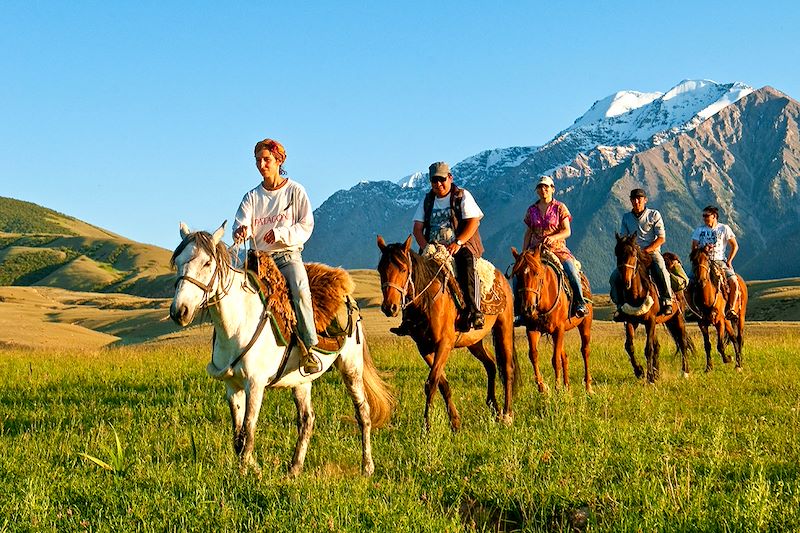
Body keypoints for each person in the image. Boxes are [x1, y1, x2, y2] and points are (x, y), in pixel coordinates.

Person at [232, 138, 320, 373]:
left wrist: (280, 233)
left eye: (266, 160)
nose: (261, 165)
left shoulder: (295, 191)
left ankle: (309, 348)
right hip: (258, 260)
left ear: (279, 160)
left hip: (287, 256)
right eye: (257, 160)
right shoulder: (251, 197)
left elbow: (306, 225)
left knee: (300, 289)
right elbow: (241, 222)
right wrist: (241, 231)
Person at [412, 161, 485, 330]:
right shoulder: (427, 200)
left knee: (467, 266)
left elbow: (473, 222)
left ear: (450, 177)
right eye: (434, 180)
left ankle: (474, 311)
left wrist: (458, 242)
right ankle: (410, 317)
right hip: (433, 248)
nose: (438, 184)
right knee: (413, 273)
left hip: (460, 245)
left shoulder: (461, 195)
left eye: (442, 179)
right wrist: (426, 247)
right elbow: (417, 229)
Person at [521, 175, 588, 318]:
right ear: (537, 190)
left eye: (546, 187)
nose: (543, 189)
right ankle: (519, 309)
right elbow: (528, 233)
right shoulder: (531, 210)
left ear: (553, 189)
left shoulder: (560, 208)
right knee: (520, 273)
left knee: (571, 270)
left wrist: (553, 237)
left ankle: (580, 302)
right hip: (535, 250)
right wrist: (524, 253)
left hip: (557, 249)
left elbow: (567, 231)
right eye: (540, 187)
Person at [610, 188, 674, 318]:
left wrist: (646, 250)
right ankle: (620, 305)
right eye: (633, 199)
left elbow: (661, 238)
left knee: (661, 269)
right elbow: (624, 237)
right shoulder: (626, 217)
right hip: (633, 254)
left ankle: (667, 300)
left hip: (651, 252)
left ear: (645, 200)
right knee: (615, 277)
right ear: (630, 200)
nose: (636, 201)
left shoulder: (654, 214)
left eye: (639, 199)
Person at [691, 205, 740, 319]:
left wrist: (729, 261)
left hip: (719, 261)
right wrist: (703, 250)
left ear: (714, 216)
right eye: (703, 216)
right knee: (688, 283)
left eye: (706, 216)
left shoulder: (724, 228)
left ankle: (731, 309)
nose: (704, 218)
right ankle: (694, 310)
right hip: (703, 261)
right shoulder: (699, 230)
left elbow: (735, 246)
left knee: (734, 282)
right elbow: (694, 248)